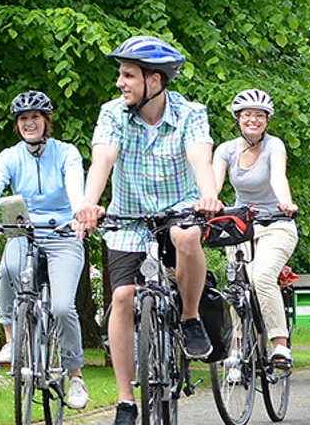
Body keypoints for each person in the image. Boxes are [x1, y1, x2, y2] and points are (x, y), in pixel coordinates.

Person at [73, 35, 223, 425]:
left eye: (127, 75)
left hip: (177, 210)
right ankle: (125, 401)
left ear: (153, 81)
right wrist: (89, 203)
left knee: (187, 235)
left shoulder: (191, 114)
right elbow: (102, 159)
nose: (120, 82)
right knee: (123, 297)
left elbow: (199, 157)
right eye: (120, 75)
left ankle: (189, 317)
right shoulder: (113, 114)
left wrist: (208, 195)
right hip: (129, 217)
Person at [0, 90, 91, 409]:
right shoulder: (9, 156)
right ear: (17, 125)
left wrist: (80, 214)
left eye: (35, 117)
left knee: (63, 307)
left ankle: (75, 375)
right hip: (23, 228)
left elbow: (76, 186)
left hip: (63, 231)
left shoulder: (67, 153)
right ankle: (11, 341)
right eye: (23, 118)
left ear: (46, 121)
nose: (29, 123)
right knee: (8, 269)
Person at [212, 88, 300, 368]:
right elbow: (214, 183)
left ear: (267, 120)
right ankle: (238, 349)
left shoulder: (274, 145)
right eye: (247, 115)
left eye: (260, 115)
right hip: (241, 226)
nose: (253, 120)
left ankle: (279, 346)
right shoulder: (225, 150)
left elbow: (278, 176)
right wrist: (209, 203)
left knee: (261, 276)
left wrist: (285, 202)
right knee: (237, 284)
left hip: (277, 224)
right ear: (237, 118)